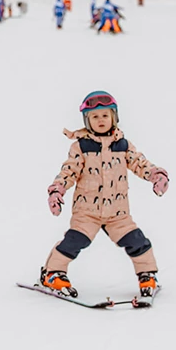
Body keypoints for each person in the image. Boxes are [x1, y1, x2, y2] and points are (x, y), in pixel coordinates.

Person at [39, 92, 168, 299]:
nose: (100, 120)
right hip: (87, 212)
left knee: (138, 242)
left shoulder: (123, 146)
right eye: (95, 116)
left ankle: (147, 275)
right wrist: (57, 191)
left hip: (118, 213)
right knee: (74, 241)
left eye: (105, 115)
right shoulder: (81, 147)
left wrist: (155, 175)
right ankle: (53, 274)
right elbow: (68, 172)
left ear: (114, 117)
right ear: (87, 121)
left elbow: (140, 163)